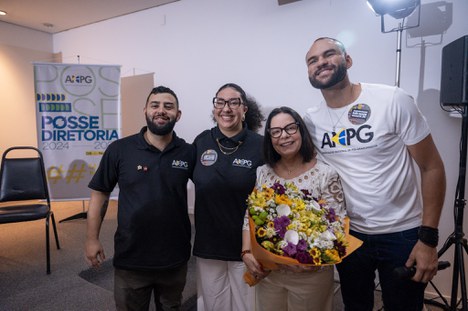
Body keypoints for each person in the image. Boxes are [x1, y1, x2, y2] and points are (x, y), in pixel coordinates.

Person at [303, 37, 446, 311]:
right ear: (309, 72)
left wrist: (428, 239)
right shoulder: (311, 121)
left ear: (347, 60)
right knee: (355, 306)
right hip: (350, 234)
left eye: (329, 54)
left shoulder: (392, 99)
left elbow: (432, 167)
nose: (320, 62)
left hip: (402, 233)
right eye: (312, 60)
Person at [85, 86, 195, 311]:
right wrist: (91, 239)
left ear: (178, 114)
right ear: (145, 110)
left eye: (168, 106)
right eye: (155, 105)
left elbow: (212, 187)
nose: (161, 111)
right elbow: (100, 194)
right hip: (131, 258)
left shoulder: (188, 152)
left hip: (174, 258)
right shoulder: (119, 149)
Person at [241, 106, 345, 311]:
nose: (284, 136)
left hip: (310, 275)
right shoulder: (263, 173)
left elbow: (339, 226)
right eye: (276, 131)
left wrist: (308, 259)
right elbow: (250, 216)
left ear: (301, 130)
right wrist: (246, 252)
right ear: (269, 137)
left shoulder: (325, 174)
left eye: (290, 128)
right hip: (269, 273)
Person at [192, 83, 264, 311]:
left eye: (234, 102)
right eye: (220, 102)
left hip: (247, 247)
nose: (226, 108)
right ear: (215, 108)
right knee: (214, 305)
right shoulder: (201, 141)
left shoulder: (260, 145)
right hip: (209, 244)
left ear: (245, 109)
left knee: (248, 306)